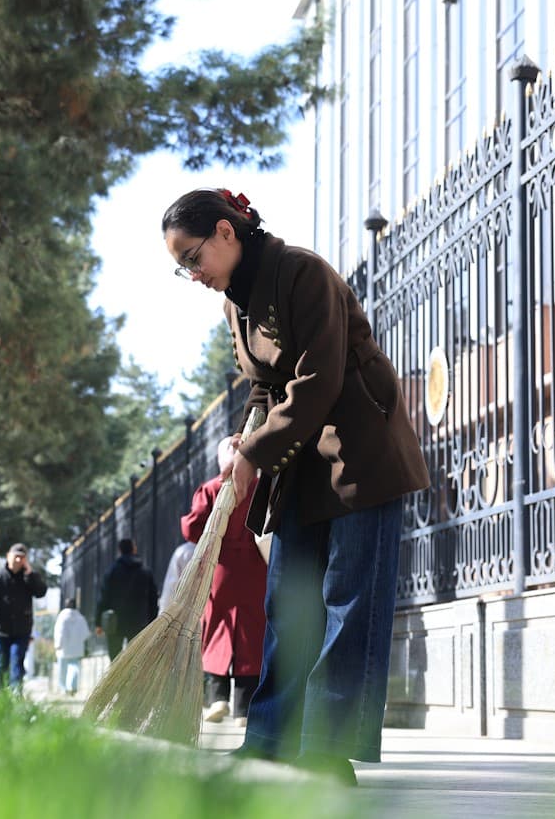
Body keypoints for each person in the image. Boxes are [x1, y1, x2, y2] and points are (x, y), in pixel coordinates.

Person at [161, 188, 429, 786]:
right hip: (301, 464)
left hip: (360, 458)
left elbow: (317, 379)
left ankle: (327, 752)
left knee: (347, 604)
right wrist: (242, 443)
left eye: (193, 257)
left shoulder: (302, 272)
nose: (193, 273)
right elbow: (264, 387)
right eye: (183, 266)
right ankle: (272, 742)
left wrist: (256, 452)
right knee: (287, 604)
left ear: (227, 233)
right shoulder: (237, 302)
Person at [181, 435, 265, 727]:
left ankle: (217, 698)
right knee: (252, 634)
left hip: (221, 569)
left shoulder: (211, 489)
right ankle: (244, 708)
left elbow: (192, 529)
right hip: (256, 569)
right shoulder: (259, 488)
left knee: (217, 629)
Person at [0, 542, 48, 691]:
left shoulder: (29, 578)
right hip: (2, 629)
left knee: (17, 660)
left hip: (22, 630)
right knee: (2, 662)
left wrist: (30, 574)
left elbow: (41, 592)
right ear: (8, 556)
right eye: (16, 556)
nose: (19, 560)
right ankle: (2, 692)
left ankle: (16, 694)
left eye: (22, 557)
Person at [94, 538, 158, 660]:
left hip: (115, 622)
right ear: (134, 549)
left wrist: (98, 622)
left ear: (119, 550)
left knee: (115, 659)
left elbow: (103, 597)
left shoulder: (112, 571)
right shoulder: (145, 572)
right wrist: (152, 621)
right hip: (139, 621)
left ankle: (117, 679)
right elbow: (153, 600)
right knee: (135, 659)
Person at [53, 596, 92, 696]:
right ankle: (72, 687)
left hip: (63, 648)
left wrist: (58, 645)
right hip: (76, 648)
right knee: (74, 667)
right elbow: (86, 634)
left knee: (62, 669)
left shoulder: (61, 617)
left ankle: (63, 688)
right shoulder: (80, 618)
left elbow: (59, 633)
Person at [158, 539, 196, 614]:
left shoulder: (184, 552)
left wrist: (163, 616)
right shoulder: (222, 550)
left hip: (187, 615)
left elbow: (171, 588)